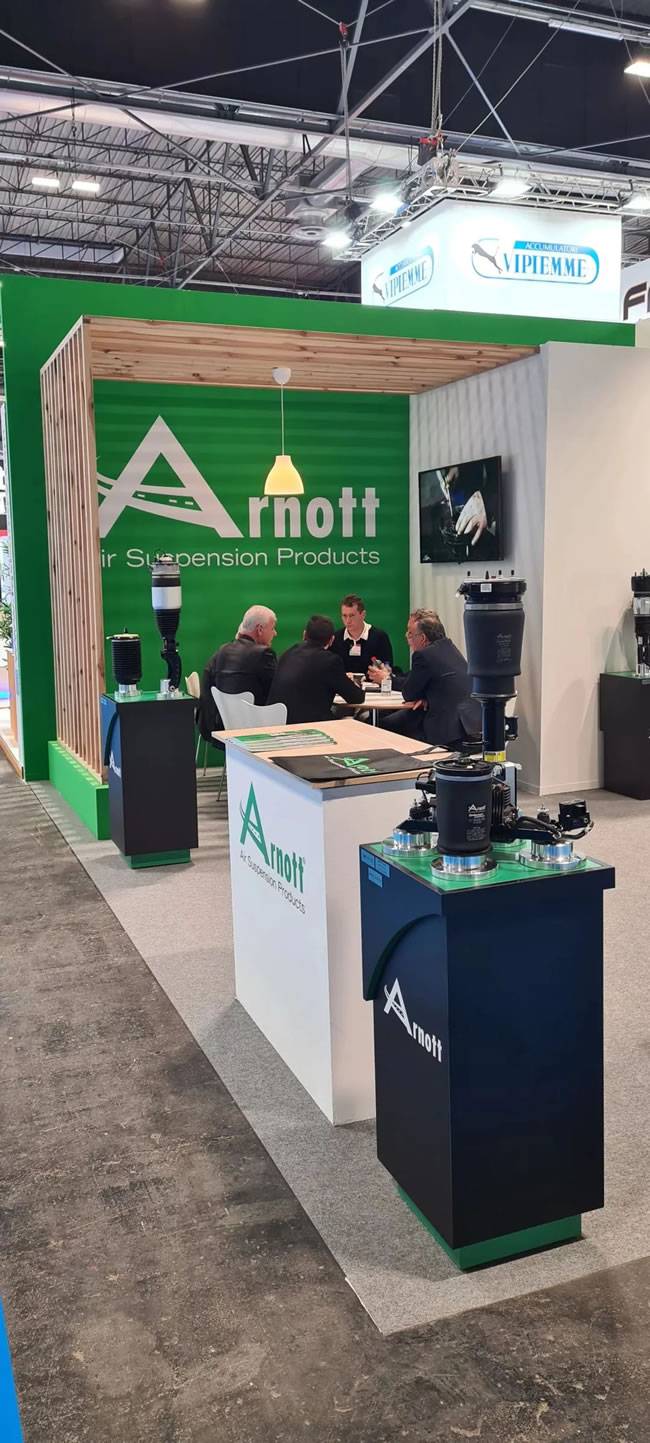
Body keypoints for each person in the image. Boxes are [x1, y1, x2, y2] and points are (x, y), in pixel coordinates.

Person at [369, 609, 481, 750]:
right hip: (472, 727)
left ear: (422, 638)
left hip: (448, 733)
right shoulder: (449, 647)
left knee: (381, 726)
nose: (406, 636)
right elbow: (421, 678)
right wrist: (423, 694)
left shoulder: (423, 655)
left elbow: (409, 693)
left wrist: (387, 680)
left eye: (410, 633)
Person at [268, 614, 364, 725]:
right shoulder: (331, 661)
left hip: (274, 722)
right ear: (331, 640)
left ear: (304, 634)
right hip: (309, 727)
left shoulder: (288, 653)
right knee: (355, 719)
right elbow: (356, 698)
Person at [198, 604, 277, 738]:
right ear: (260, 629)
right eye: (272, 628)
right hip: (254, 730)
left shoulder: (221, 651)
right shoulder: (264, 654)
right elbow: (276, 690)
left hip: (220, 728)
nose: (275, 633)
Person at [330, 593, 393, 676]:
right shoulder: (336, 638)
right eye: (344, 616)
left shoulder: (379, 637)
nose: (348, 621)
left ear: (363, 615)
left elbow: (387, 668)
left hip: (373, 683)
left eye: (352, 616)